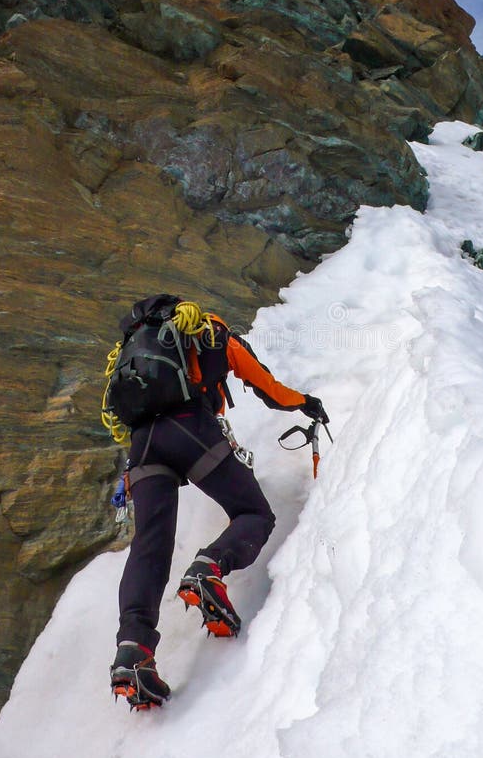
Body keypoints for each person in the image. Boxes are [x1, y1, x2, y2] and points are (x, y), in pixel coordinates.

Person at [108, 295, 328, 709]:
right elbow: (268, 388)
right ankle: (208, 570)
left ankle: (133, 651)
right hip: (190, 429)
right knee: (254, 513)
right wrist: (306, 403)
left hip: (142, 447)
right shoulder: (211, 332)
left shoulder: (132, 353)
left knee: (149, 547)